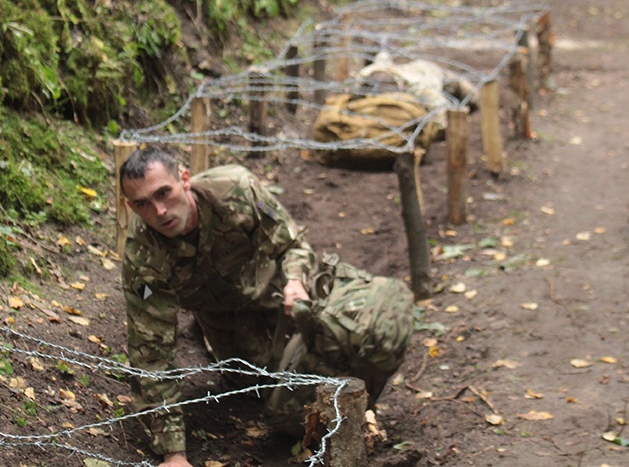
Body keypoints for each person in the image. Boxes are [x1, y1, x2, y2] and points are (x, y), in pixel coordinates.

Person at [119, 146, 414, 467]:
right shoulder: (142, 256)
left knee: (371, 332)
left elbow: (290, 244)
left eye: (164, 193)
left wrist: (296, 281)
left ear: (185, 180)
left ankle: (360, 407)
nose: (159, 211)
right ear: (131, 207)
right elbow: (151, 355)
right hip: (230, 325)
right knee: (281, 410)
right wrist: (173, 454)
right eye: (143, 204)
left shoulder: (236, 189)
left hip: (285, 298)